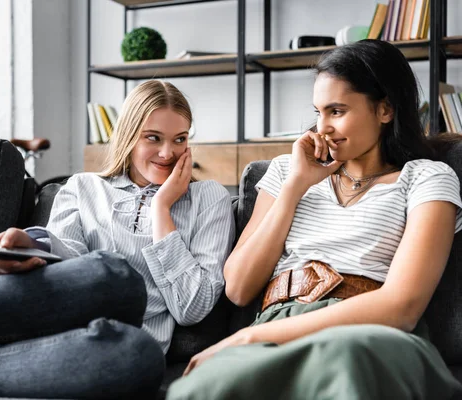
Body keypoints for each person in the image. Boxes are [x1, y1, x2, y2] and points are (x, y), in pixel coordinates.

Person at [0, 80, 235, 399]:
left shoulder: (209, 198)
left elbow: (193, 306)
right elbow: (69, 261)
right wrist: (32, 245)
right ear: (128, 135)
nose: (168, 153)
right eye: (153, 138)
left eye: (180, 139)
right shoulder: (84, 188)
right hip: (48, 320)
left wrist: (162, 211)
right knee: (115, 276)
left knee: (144, 357)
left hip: (95, 352)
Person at [167, 39, 462, 400]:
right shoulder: (285, 172)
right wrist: (295, 186)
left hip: (367, 332)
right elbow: (239, 287)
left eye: (337, 111)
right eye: (318, 112)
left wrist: (249, 336)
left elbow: (402, 306)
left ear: (385, 109)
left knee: (344, 362)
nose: (322, 128)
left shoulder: (426, 177)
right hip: (277, 325)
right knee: (196, 389)